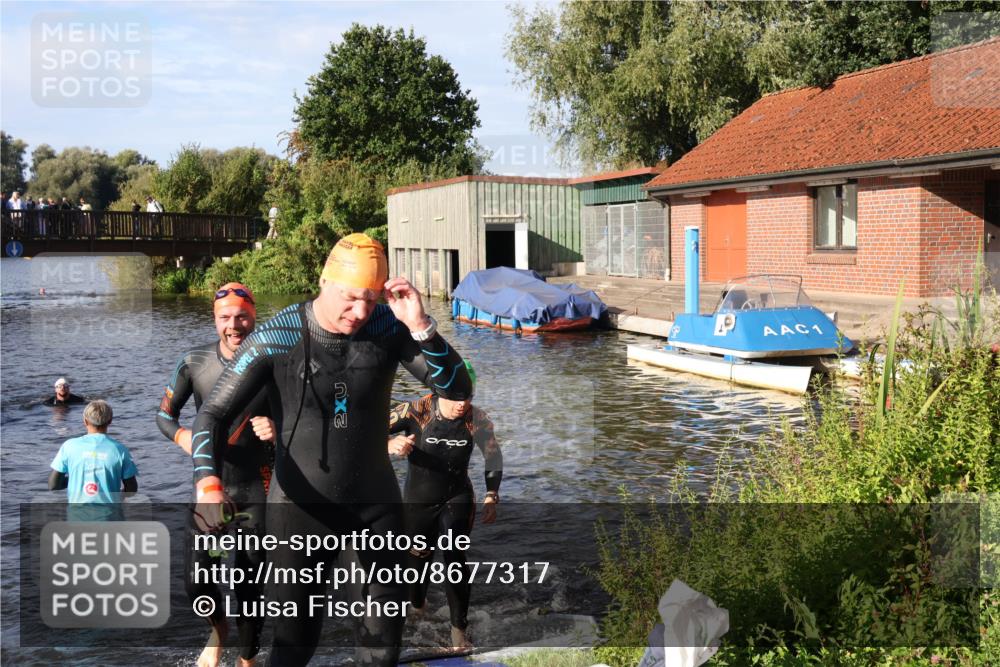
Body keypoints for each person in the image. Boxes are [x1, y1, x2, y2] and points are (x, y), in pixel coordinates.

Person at [190, 233, 473, 666]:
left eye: (370, 299)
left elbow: (456, 387)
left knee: (381, 650)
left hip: (375, 510)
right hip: (300, 513)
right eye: (350, 297)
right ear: (325, 280)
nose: (359, 312)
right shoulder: (276, 336)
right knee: (293, 645)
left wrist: (422, 327)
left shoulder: (387, 327)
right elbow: (211, 416)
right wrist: (208, 483)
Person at [156, 282, 275, 667]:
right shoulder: (195, 362)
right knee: (198, 581)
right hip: (211, 487)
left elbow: (311, 414)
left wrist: (278, 424)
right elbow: (163, 414)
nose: (234, 325)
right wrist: (182, 435)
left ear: (253, 316)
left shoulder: (275, 361)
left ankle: (247, 658)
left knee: (249, 581)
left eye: (241, 316)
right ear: (214, 319)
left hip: (256, 483)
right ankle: (217, 629)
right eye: (225, 317)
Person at [387, 360, 502, 650]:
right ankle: (417, 606)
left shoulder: (478, 419)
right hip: (418, 501)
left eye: (468, 396)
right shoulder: (415, 410)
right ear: (438, 391)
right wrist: (391, 443)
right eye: (455, 397)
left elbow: (493, 457)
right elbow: (365, 431)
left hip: (456, 497)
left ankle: (458, 634)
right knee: (417, 563)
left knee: (455, 561)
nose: (462, 404)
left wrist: (492, 494)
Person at [48, 400, 138, 521]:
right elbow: (131, 489)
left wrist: (77, 478)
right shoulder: (119, 450)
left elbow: (53, 485)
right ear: (110, 421)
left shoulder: (69, 446)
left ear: (85, 421)